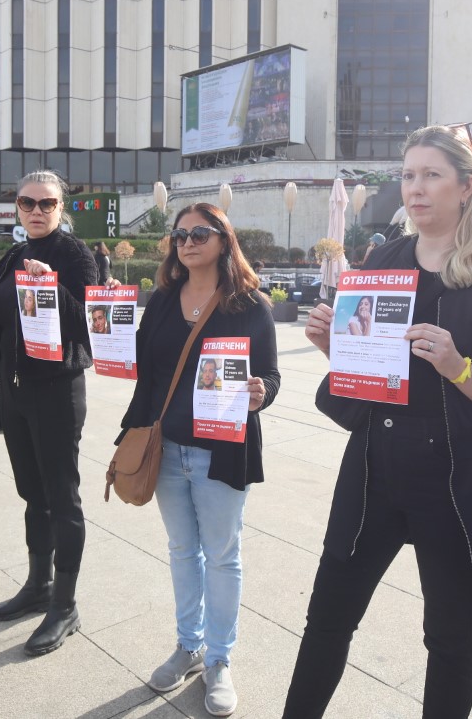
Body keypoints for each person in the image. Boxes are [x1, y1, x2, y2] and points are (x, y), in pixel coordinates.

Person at [283, 124, 472, 719]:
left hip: (459, 485)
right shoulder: (383, 261)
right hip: (374, 474)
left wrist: (459, 368)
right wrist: (337, 349)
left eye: (432, 174)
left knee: (452, 638)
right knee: (327, 619)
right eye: (409, 175)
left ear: (467, 185)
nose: (417, 188)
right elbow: (366, 383)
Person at [119, 202, 278, 717]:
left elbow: (271, 377)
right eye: (180, 234)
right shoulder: (162, 300)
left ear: (223, 240)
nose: (188, 242)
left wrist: (260, 391)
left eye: (200, 233)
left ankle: (219, 659)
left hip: (222, 450)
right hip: (165, 449)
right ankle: (188, 647)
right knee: (183, 550)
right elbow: (140, 364)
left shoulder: (250, 305)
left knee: (223, 554)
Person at [0, 170, 99, 656]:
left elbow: (89, 325)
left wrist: (51, 286)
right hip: (15, 392)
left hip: (57, 390)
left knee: (61, 497)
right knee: (32, 494)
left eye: (46, 204)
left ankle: (65, 604)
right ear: (16, 206)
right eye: (27, 202)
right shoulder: (12, 255)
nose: (36, 211)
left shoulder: (76, 255)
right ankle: (38, 586)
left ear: (60, 207)